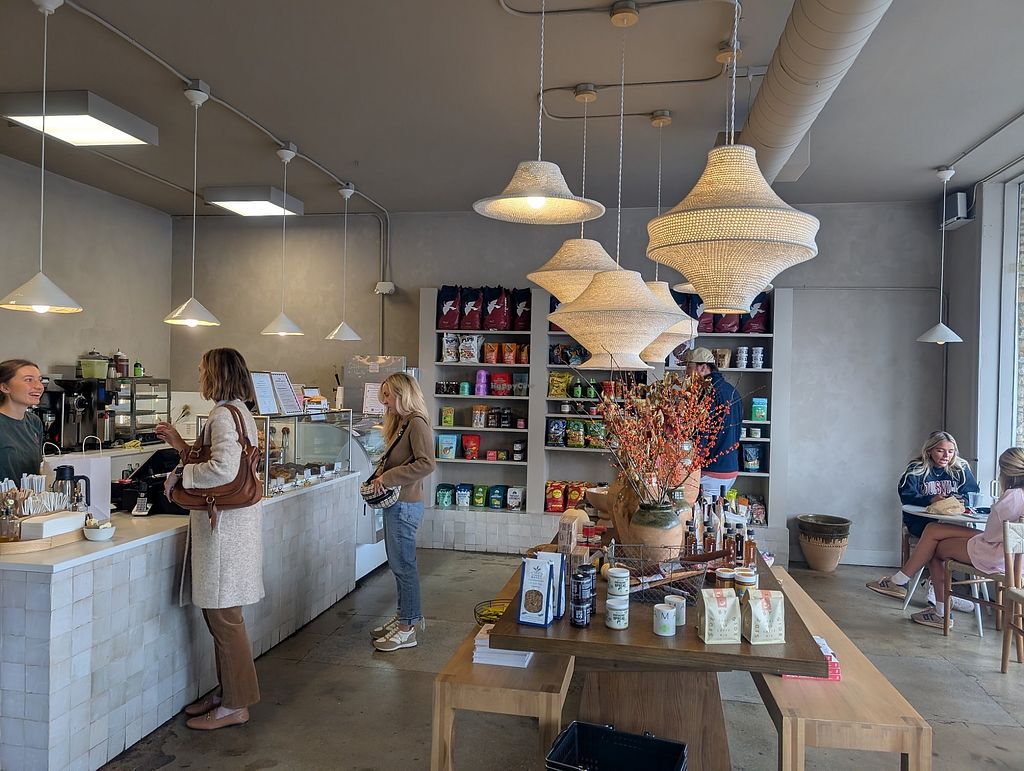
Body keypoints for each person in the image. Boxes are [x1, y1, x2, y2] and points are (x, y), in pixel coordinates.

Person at [156, 348, 263, 730]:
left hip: (224, 533)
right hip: (233, 528)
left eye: (202, 369)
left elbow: (222, 470)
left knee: (224, 619)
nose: (199, 374)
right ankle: (227, 692)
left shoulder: (221, 415)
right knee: (222, 617)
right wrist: (179, 445)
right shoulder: (238, 411)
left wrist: (179, 477)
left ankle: (236, 705)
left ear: (216, 374)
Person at [868, 447, 1024, 629]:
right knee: (933, 529)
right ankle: (902, 583)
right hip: (1016, 558)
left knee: (935, 549)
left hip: (997, 554)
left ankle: (937, 610)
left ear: (1005, 472)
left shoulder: (1012, 497)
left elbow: (990, 534)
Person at [367, 372, 435, 652]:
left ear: (402, 394)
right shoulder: (404, 422)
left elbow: (427, 463)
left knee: (404, 568)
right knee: (399, 567)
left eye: (387, 395)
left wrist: (388, 477)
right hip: (398, 504)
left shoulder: (416, 423)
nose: (384, 401)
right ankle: (404, 616)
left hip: (405, 506)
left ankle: (408, 629)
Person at [683, 347, 742, 497]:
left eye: (688, 367)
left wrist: (691, 465)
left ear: (703, 367)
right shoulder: (733, 391)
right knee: (717, 510)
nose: (685, 373)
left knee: (704, 511)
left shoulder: (707, 392)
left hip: (712, 472)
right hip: (730, 468)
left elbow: (703, 433)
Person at [899, 431, 979, 538]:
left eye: (951, 451)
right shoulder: (916, 469)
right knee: (962, 538)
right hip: (923, 521)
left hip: (955, 520)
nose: (946, 456)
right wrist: (930, 500)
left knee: (963, 537)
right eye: (940, 451)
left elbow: (972, 494)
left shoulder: (961, 468)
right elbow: (906, 496)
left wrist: (960, 500)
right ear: (929, 451)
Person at [0, 359, 44, 485]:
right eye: (28, 380)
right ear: (5, 387)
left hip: (30, 497)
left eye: (40, 380)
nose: (39, 386)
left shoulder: (34, 422)